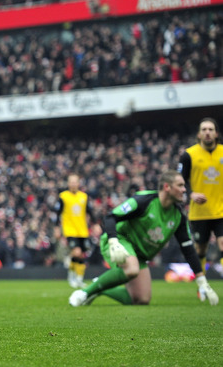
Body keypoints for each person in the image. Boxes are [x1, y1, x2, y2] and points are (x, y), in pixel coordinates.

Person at [69, 170, 219, 306]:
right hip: (120, 240)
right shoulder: (144, 201)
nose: (184, 190)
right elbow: (110, 217)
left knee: (141, 299)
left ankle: (100, 286)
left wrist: (201, 281)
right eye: (180, 185)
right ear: (167, 187)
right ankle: (84, 293)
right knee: (132, 268)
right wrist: (113, 240)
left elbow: (188, 249)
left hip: (139, 255)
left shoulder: (178, 216)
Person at [177, 117, 223, 275]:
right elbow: (179, 180)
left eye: (210, 129)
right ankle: (202, 284)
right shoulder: (188, 155)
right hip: (199, 212)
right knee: (201, 249)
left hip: (221, 210)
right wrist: (191, 193)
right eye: (204, 130)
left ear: (216, 133)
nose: (207, 133)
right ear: (199, 134)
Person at [55, 173, 101, 288]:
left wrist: (95, 224)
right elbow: (58, 213)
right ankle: (72, 277)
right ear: (68, 183)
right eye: (71, 182)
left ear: (78, 183)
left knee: (80, 256)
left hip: (82, 230)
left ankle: (78, 279)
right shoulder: (63, 196)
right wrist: (56, 228)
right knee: (77, 252)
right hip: (70, 230)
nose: (73, 184)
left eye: (75, 182)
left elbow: (89, 211)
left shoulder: (83, 197)